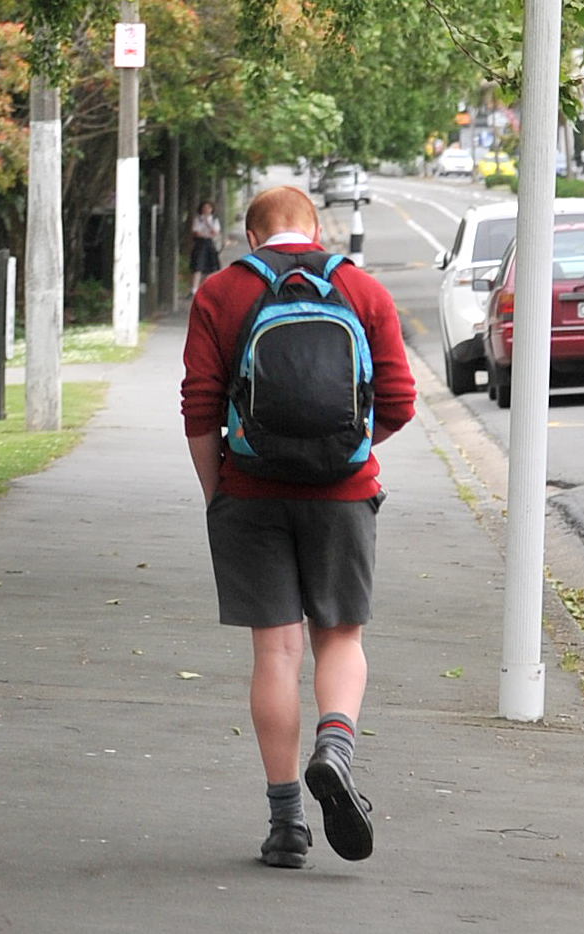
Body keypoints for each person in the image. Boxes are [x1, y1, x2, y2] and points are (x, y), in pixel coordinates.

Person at [181, 184, 416, 869]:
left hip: (250, 493)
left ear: (251, 237)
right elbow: (398, 401)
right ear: (315, 228)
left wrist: (218, 492)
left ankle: (286, 825)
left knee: (275, 655)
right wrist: (346, 450)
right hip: (343, 495)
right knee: (339, 638)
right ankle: (335, 750)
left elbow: (199, 409)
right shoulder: (361, 289)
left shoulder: (221, 294)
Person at [188, 199, 222, 296]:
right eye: (204, 207)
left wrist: (208, 223)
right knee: (197, 266)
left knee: (210, 267)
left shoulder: (214, 219)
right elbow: (196, 232)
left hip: (210, 244)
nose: (206, 209)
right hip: (199, 244)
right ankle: (194, 289)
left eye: (208, 208)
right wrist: (207, 233)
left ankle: (205, 288)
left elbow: (215, 232)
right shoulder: (198, 218)